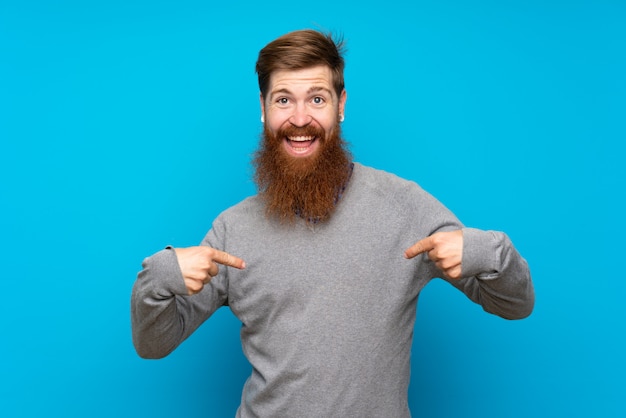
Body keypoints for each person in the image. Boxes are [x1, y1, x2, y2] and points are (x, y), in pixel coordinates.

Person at [131, 29, 534, 417]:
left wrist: (486, 251)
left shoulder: (404, 206)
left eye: (317, 99)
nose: (300, 118)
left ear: (341, 105)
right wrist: (160, 275)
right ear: (263, 108)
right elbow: (153, 344)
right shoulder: (232, 229)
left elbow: (515, 304)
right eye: (284, 100)